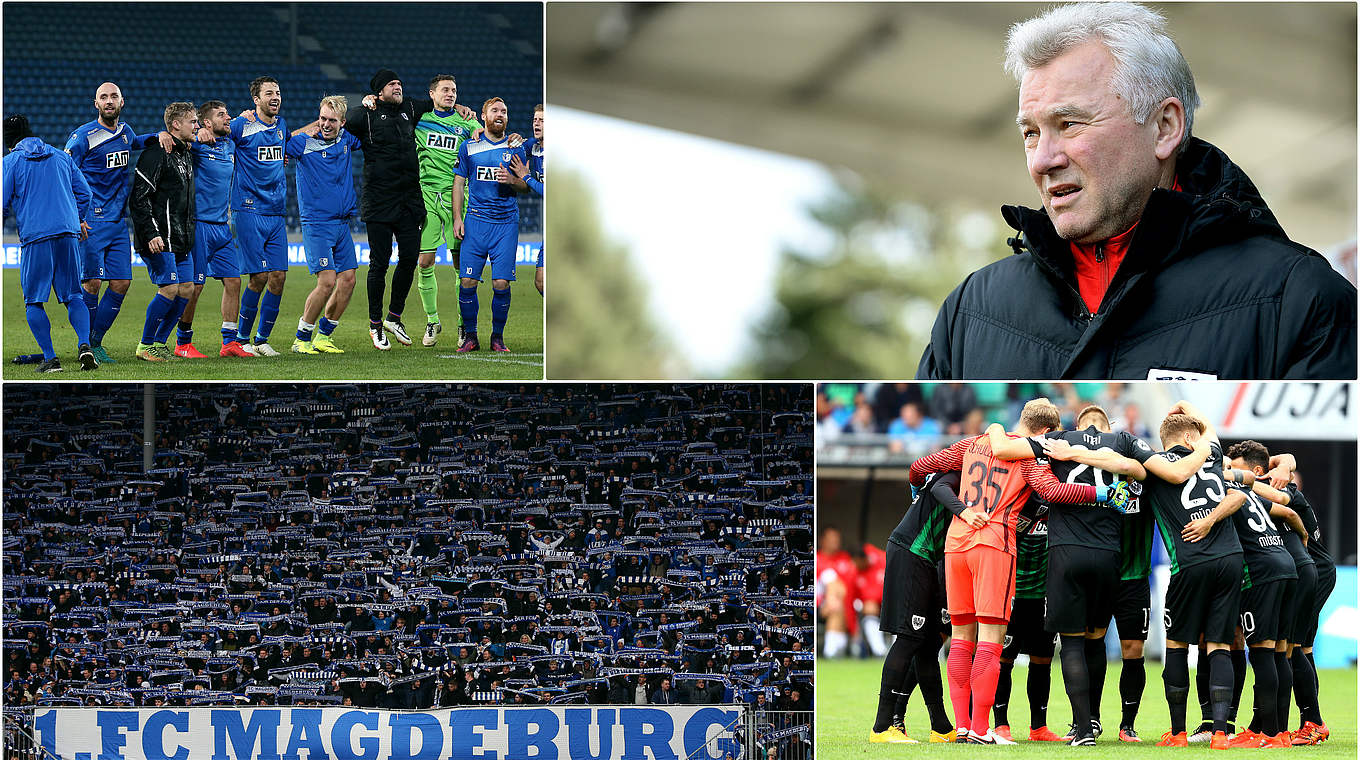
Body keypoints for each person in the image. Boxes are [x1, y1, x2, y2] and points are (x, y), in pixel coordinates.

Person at [916, 2, 1356, 379]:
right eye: (1031, 132)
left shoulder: (1302, 300)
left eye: (1069, 124)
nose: (1042, 160)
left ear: (1165, 127)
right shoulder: (969, 312)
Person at [907, 398, 1122, 744]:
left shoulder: (973, 443)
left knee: (962, 638)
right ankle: (980, 728)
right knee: (991, 641)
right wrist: (1102, 492)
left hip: (957, 542)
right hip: (994, 543)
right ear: (1045, 432)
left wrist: (916, 487)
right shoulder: (1029, 457)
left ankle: (961, 726)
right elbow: (1054, 491)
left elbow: (922, 465)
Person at [1135, 402, 1246, 748]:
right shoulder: (1210, 454)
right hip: (1231, 559)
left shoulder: (1153, 464)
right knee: (1219, 644)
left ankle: (1179, 733)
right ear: (1189, 436)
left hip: (1190, 563)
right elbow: (1210, 434)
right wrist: (1192, 411)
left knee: (1177, 644)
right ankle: (1221, 734)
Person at [1224, 443, 1330, 746]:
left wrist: (1242, 478)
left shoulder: (1274, 489)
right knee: (1284, 651)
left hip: (1309, 571)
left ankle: (1307, 723)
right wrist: (1283, 463)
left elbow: (1283, 500)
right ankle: (1268, 726)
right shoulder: (1266, 488)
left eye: (1237, 467)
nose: (1232, 472)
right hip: (1298, 569)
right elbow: (1285, 463)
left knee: (1291, 650)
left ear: (1256, 472)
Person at [65, 82, 172, 364]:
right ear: (96, 103)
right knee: (92, 284)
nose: (109, 101)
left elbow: (136, 143)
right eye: (104, 97)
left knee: (122, 283)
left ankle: (96, 342)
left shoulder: (126, 133)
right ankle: (84, 344)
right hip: (91, 222)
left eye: (114, 97)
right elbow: (65, 173)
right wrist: (76, 216)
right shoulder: (83, 136)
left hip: (117, 223)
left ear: (122, 102)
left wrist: (159, 135)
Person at [869, 472, 964, 744]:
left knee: (928, 643)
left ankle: (941, 728)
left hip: (926, 558)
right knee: (909, 638)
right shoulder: (955, 475)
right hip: (912, 552)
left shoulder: (963, 474)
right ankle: (882, 727)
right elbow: (939, 488)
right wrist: (965, 512)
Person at [3, 114, 97, 372]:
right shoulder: (61, 156)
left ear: (8, 142)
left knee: (33, 300)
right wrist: (77, 219)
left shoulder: (10, 162)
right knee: (74, 295)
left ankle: (50, 359)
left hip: (36, 236)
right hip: (68, 233)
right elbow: (86, 193)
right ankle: (85, 346)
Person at [209, 77, 289, 356]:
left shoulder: (281, 126)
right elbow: (217, 137)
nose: (275, 97)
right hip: (249, 209)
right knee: (259, 277)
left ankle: (262, 339)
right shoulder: (242, 125)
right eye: (269, 93)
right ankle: (240, 340)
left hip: (277, 211)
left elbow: (285, 149)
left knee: (278, 276)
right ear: (256, 100)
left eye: (277, 92)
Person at [284, 96, 361, 355]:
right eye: (323, 119)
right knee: (327, 282)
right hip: (316, 223)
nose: (326, 124)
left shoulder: (347, 140)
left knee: (348, 280)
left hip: (342, 224)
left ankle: (323, 337)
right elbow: (278, 141)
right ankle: (301, 337)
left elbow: (371, 131)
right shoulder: (302, 143)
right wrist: (308, 127)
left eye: (332, 120)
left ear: (342, 123)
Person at [452, 97, 528, 353]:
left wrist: (513, 181)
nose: (500, 114)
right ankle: (471, 337)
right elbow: (459, 183)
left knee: (501, 284)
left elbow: (526, 185)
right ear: (483, 116)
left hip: (505, 224)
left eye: (504, 111)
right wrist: (457, 218)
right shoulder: (469, 147)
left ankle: (497, 337)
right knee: (467, 282)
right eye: (495, 110)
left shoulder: (516, 147)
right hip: (475, 222)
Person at [413, 74, 482, 346]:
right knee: (424, 262)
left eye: (453, 90)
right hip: (427, 196)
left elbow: (484, 134)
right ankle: (432, 321)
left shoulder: (466, 122)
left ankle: (464, 326)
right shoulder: (420, 121)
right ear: (432, 94)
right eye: (445, 90)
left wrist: (478, 126)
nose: (450, 94)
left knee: (459, 265)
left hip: (458, 198)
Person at [129, 102, 197, 362]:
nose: (197, 126)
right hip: (160, 237)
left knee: (187, 289)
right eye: (192, 122)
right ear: (176, 125)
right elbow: (139, 198)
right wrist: (151, 233)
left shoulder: (185, 152)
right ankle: (145, 345)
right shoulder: (156, 153)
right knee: (169, 289)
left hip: (181, 237)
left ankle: (159, 342)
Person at [184, 100, 252, 358]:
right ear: (207, 123)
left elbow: (245, 122)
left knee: (233, 281)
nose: (228, 118)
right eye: (221, 115)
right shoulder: (197, 145)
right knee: (196, 286)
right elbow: (173, 135)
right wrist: (196, 133)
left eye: (228, 113)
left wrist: (247, 115)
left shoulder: (230, 143)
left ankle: (229, 342)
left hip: (222, 227)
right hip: (199, 225)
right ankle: (183, 342)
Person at [507, 103, 544, 296]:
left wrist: (526, 176)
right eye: (535, 120)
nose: (537, 123)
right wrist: (514, 138)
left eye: (542, 120)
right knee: (540, 282)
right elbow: (513, 143)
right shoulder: (533, 146)